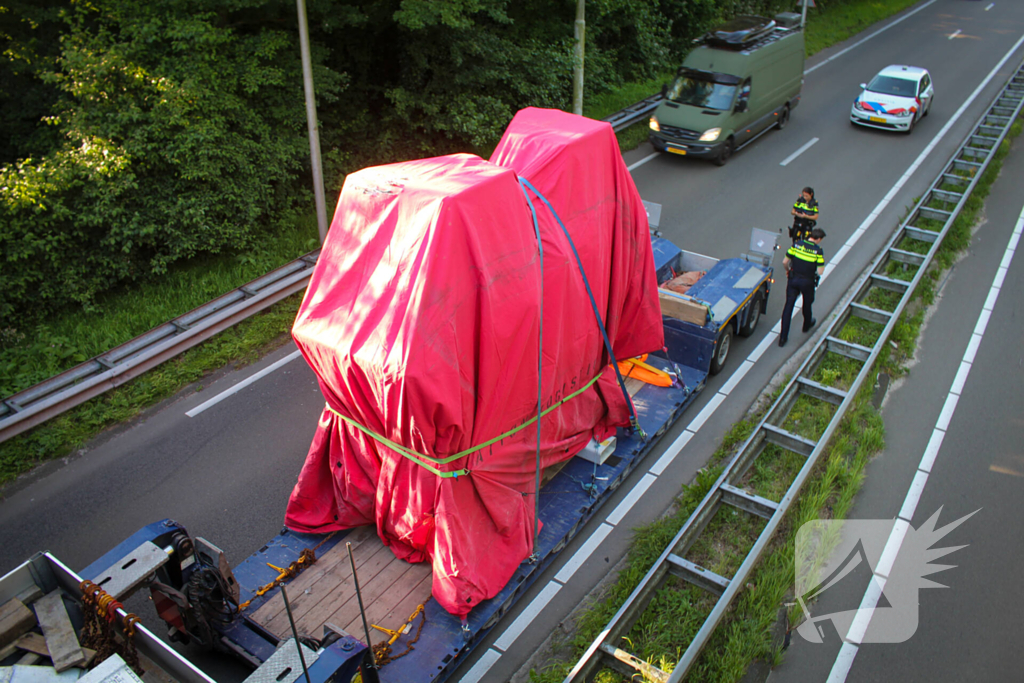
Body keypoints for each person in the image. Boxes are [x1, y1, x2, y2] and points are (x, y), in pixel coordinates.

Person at [779, 227, 826, 348]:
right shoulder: (818, 250)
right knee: (807, 303)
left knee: (788, 306)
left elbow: (785, 262)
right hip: (807, 282)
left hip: (793, 279)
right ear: (819, 239)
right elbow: (820, 272)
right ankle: (806, 325)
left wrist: (788, 271)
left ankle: (783, 337)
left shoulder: (797, 245)